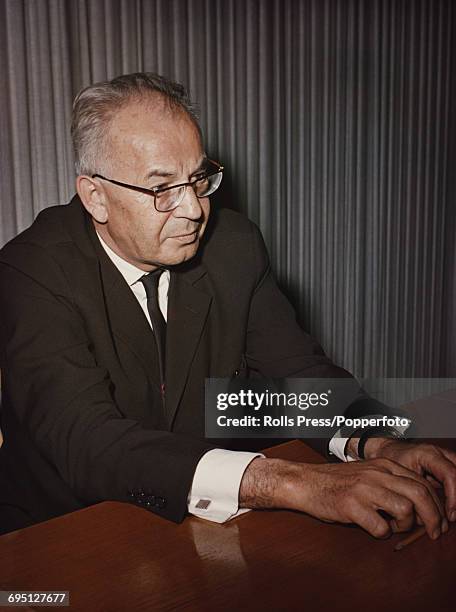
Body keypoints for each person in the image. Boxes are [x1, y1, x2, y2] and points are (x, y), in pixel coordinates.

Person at [0, 73, 455, 539]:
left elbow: (295, 374)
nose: (194, 210)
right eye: (162, 189)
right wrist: (292, 482)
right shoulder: (28, 271)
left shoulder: (233, 246)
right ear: (96, 196)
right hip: (62, 536)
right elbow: (88, 440)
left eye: (198, 179)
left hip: (199, 528)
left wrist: (377, 440)